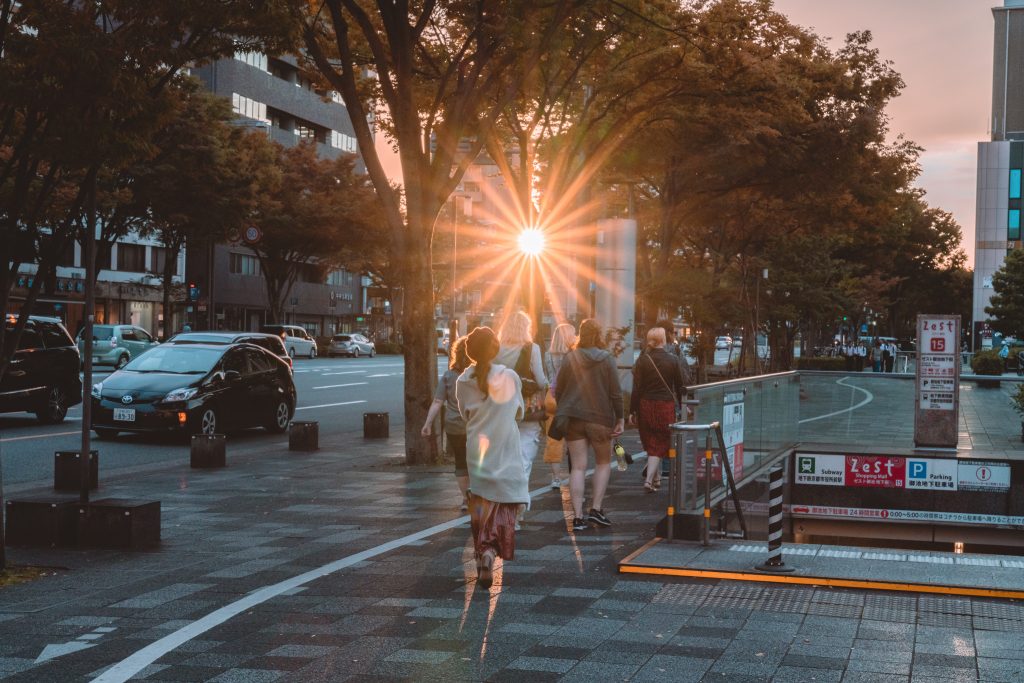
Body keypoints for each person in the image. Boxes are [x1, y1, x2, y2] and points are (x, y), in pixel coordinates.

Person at [456, 326, 527, 589]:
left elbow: (465, 414)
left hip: (477, 448)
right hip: (504, 447)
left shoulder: (463, 381)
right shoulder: (509, 377)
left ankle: (481, 551)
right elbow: (519, 412)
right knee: (504, 503)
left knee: (480, 504)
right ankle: (490, 553)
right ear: (495, 348)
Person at [554, 318, 624, 531]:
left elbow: (559, 389)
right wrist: (620, 417)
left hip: (574, 418)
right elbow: (615, 392)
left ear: (581, 335)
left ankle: (577, 518)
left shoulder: (570, 358)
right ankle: (596, 509)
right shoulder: (607, 359)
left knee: (578, 467)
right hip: (601, 418)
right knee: (603, 463)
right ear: (599, 335)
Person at [494, 310, 548, 512]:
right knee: (524, 459)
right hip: (527, 408)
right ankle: (518, 508)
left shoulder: (496, 349)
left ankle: (503, 502)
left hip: (501, 409)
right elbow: (541, 380)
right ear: (526, 328)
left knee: (505, 457)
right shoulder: (531, 348)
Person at [630, 327, 687, 493]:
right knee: (661, 441)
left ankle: (656, 478)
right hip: (665, 406)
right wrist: (684, 406)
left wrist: (632, 411)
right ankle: (649, 480)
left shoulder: (642, 360)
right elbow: (680, 386)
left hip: (645, 405)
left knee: (650, 441)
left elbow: (637, 388)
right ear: (664, 340)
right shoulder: (673, 360)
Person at [421, 335, 470, 510]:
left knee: (460, 460)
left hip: (454, 426)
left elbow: (437, 402)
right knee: (478, 460)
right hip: (476, 426)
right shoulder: (479, 374)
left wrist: (427, 424)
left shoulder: (449, 376)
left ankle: (465, 499)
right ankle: (478, 493)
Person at [542, 322, 576, 489]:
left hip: (551, 397)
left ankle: (555, 478)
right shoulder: (573, 355)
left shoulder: (547, 355)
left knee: (553, 438)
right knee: (574, 437)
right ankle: (574, 475)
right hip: (569, 397)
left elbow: (548, 376)